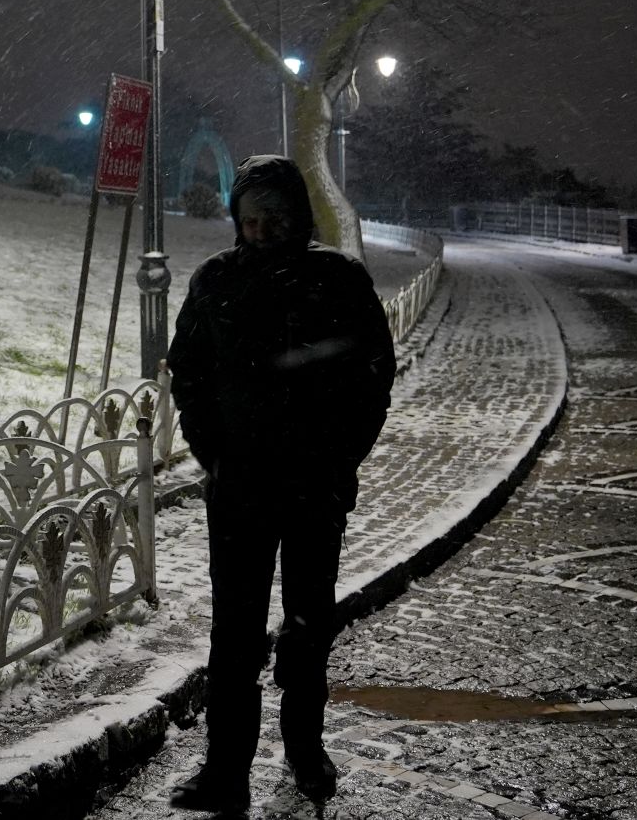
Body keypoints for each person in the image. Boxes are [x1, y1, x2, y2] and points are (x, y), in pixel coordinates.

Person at [166, 154, 396, 810]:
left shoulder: (338, 279)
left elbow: (372, 376)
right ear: (238, 219)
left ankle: (305, 749)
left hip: (314, 485)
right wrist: (212, 452)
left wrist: (340, 458)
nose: (263, 229)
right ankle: (225, 770)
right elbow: (189, 374)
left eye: (275, 217)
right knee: (233, 634)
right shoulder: (216, 280)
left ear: (298, 216)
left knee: (307, 624)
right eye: (251, 218)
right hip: (239, 485)